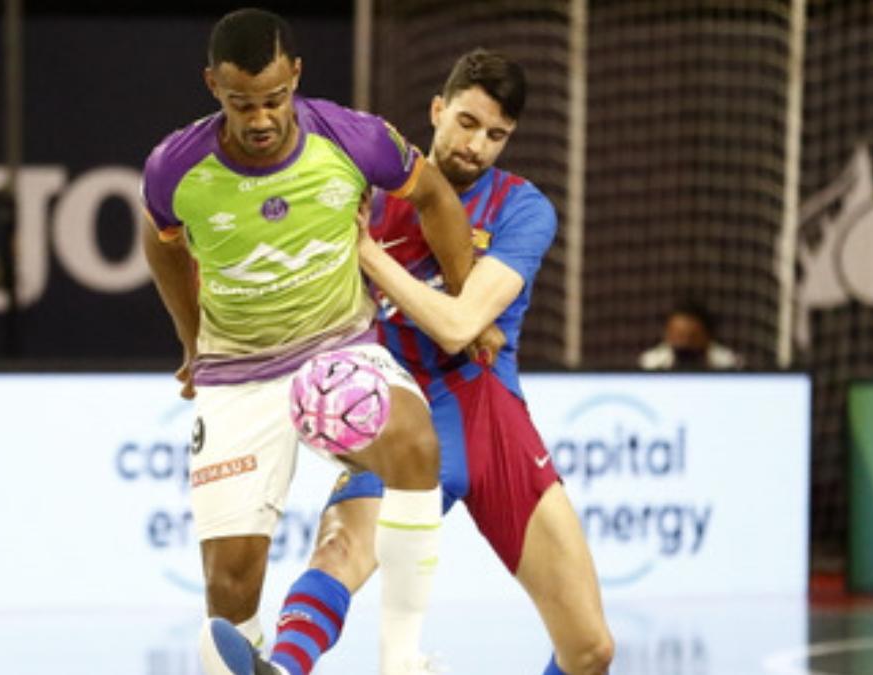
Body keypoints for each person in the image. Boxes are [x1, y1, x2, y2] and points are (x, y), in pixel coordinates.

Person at [207, 49, 616, 675]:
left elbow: (458, 327)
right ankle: (284, 670)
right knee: (342, 549)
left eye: (496, 135)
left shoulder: (523, 209)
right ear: (436, 110)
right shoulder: (370, 188)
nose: (477, 145)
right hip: (400, 408)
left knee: (590, 649)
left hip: (490, 415)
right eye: (467, 122)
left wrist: (365, 252)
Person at [138, 9, 480, 675]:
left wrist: (462, 303)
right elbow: (161, 239)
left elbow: (435, 196)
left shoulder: (354, 138)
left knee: (415, 444)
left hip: (339, 350)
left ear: (296, 75)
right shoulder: (175, 167)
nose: (261, 118)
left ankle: (402, 658)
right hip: (236, 375)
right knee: (229, 589)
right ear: (213, 85)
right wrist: (191, 341)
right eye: (242, 103)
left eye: (273, 99)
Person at [638, 299, 742, 370]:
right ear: (667, 335)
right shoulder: (651, 364)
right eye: (678, 336)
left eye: (692, 337)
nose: (684, 343)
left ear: (707, 336)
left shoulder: (730, 365)